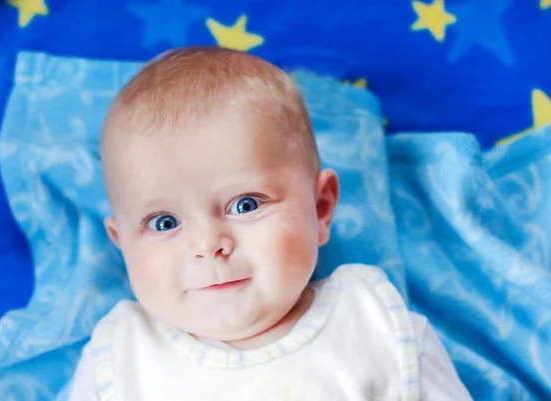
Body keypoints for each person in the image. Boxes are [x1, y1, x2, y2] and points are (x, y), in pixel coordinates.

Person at [69, 46, 472, 400]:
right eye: (164, 222)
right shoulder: (119, 359)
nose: (209, 244)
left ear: (320, 207)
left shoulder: (373, 325)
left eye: (244, 205)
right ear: (122, 245)